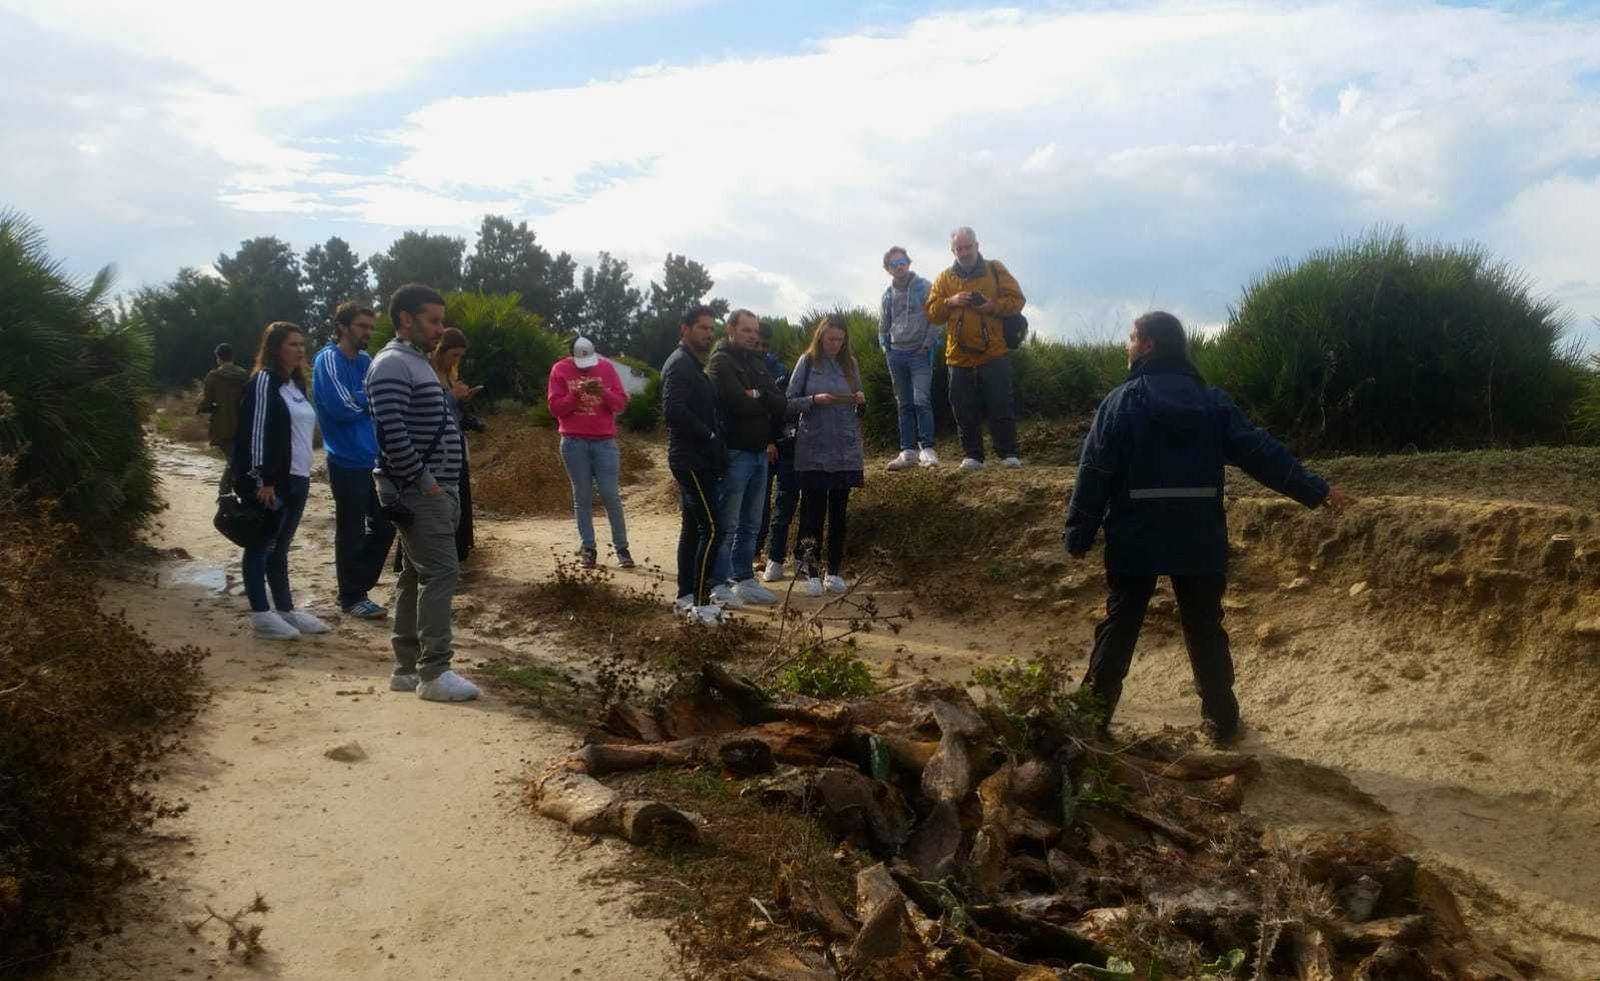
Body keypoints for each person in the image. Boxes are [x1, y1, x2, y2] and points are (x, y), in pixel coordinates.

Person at [1064, 311, 1351, 744]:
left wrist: (1078, 532)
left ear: (1148, 345)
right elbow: (1260, 452)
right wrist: (1316, 490)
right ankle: (1221, 721)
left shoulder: (1120, 402)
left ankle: (1092, 716)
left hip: (1136, 532)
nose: (1127, 346)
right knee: (1203, 626)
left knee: (1121, 623)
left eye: (1130, 338)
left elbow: (1095, 471)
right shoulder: (1212, 401)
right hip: (1198, 534)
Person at [369, 284, 478, 702]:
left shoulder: (413, 362)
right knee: (441, 573)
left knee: (415, 575)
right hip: (421, 491)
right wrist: (425, 481)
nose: (440, 329)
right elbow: (390, 430)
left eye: (441, 320)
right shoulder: (393, 364)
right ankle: (434, 672)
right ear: (405, 320)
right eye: (433, 321)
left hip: (434, 489)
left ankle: (406, 670)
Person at [231, 322, 330, 641]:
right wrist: (262, 478)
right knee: (260, 545)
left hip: (299, 477)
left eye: (302, 344)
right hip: (271, 480)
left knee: (281, 547)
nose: (300, 350)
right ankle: (261, 614)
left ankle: (285, 610)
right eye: (292, 344)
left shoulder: (296, 385)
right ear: (275, 348)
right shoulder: (264, 381)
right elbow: (256, 431)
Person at [311, 302, 394, 620]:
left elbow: (377, 397)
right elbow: (341, 406)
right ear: (343, 327)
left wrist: (363, 399)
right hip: (345, 459)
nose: (367, 333)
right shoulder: (328, 360)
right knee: (351, 529)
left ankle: (357, 586)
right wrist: (365, 399)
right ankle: (351, 596)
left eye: (370, 328)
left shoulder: (365, 360)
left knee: (385, 526)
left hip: (373, 457)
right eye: (361, 326)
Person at [925, 226, 1025, 470]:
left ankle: (1008, 454)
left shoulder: (995, 269)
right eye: (959, 248)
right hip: (958, 356)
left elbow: (1017, 301)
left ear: (977, 246)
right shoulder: (944, 278)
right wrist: (951, 301)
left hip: (994, 351)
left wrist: (992, 305)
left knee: (1000, 403)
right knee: (963, 408)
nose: (964, 252)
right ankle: (972, 456)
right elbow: (932, 313)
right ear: (953, 250)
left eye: (968, 246)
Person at [707, 309, 786, 606]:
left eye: (755, 332)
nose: (753, 337)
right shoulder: (720, 361)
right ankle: (718, 582)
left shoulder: (758, 361)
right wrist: (760, 398)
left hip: (759, 453)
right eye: (747, 331)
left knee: (751, 523)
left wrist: (758, 396)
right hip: (735, 451)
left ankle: (743, 579)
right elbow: (733, 401)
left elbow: (780, 402)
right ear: (731, 329)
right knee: (727, 522)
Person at [786, 313, 866, 597]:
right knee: (812, 513)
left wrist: (860, 401)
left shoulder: (850, 364)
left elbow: (860, 406)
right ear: (820, 336)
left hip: (845, 450)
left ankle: (833, 571)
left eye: (840, 340)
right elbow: (788, 402)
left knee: (839, 514)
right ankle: (810, 572)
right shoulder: (807, 362)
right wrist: (812, 401)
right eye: (831, 339)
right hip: (813, 449)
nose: (835, 344)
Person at [661, 304, 726, 624]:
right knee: (714, 528)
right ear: (684, 329)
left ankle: (686, 596)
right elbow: (673, 409)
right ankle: (701, 603)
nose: (708, 334)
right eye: (702, 328)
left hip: (699, 458)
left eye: (712, 329)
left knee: (693, 529)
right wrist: (709, 434)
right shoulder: (679, 365)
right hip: (690, 458)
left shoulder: (692, 364)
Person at [548, 336, 634, 570]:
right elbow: (556, 408)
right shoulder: (560, 369)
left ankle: (622, 547)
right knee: (582, 496)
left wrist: (603, 392)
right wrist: (575, 395)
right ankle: (588, 548)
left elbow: (620, 404)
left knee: (610, 495)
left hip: (604, 442)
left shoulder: (606, 367)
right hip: (573, 441)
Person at [878, 247, 940, 470]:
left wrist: (927, 344)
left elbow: (937, 317)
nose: (899, 266)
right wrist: (885, 347)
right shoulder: (887, 294)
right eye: (894, 264)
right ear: (888, 269)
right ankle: (908, 452)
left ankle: (927, 449)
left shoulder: (925, 287)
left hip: (919, 353)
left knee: (921, 400)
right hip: (896, 354)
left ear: (908, 262)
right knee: (903, 403)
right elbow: (884, 323)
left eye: (902, 261)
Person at [429, 327, 480, 564]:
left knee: (459, 501)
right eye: (454, 355)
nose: (456, 360)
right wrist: (452, 397)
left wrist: (463, 400)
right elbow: (431, 409)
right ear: (441, 351)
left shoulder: (449, 373)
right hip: (436, 450)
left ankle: (457, 554)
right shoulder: (427, 373)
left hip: (455, 442)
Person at [755, 325, 799, 582]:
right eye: (756, 343)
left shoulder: (782, 371)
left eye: (764, 345)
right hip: (758, 445)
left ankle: (775, 555)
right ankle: (755, 552)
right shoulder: (739, 369)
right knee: (758, 502)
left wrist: (775, 439)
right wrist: (767, 440)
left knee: (783, 501)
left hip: (785, 444)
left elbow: (782, 407)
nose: (760, 349)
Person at [198, 342, 249, 495]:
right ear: (232, 357)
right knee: (235, 459)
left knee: (232, 460)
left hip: (222, 425)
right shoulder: (244, 375)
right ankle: (233, 491)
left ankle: (225, 492)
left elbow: (207, 402)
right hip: (242, 424)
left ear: (218, 358)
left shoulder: (213, 376)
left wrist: (204, 407)